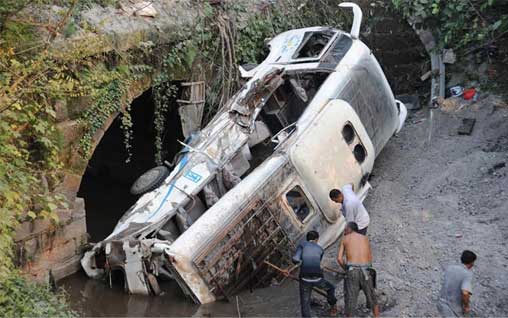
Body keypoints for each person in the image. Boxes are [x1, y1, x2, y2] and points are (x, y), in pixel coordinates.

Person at [337, 222, 380, 317]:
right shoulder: (365, 238)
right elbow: (370, 258)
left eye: (345, 229)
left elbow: (339, 259)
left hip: (352, 271)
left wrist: (346, 269)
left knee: (350, 301)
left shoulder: (345, 239)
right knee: (373, 298)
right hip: (366, 270)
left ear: (350, 229)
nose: (344, 231)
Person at [292, 230, 338, 317]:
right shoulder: (320, 249)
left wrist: (301, 262)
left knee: (305, 303)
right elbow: (317, 263)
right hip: (318, 278)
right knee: (330, 288)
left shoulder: (302, 245)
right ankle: (333, 306)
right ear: (317, 239)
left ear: (307, 239)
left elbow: (295, 259)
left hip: (304, 279)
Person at [437, 250, 477, 317]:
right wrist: (466, 306)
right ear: (472, 262)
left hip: (441, 303)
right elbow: (465, 293)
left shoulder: (450, 268)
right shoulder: (467, 274)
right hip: (452, 308)